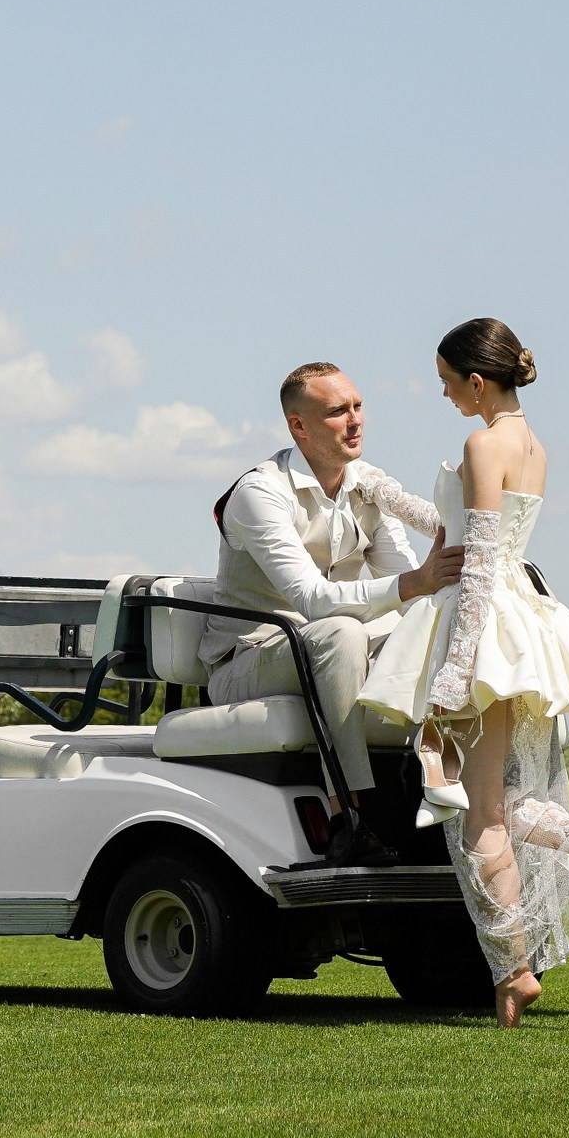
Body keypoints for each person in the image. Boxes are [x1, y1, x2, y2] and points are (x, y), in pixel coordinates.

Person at [358, 317, 569, 1025]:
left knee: (475, 819)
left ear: (474, 379)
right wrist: (382, 490)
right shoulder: (533, 447)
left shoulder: (482, 440)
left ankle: (512, 971)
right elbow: (456, 525)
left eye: (445, 383)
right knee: (495, 802)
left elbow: (481, 561)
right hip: (520, 625)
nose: (444, 396)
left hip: (484, 626)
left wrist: (454, 676)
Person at [204, 361, 465, 866]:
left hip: (328, 647)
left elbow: (408, 589)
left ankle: (448, 801)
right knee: (341, 632)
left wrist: (436, 589)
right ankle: (350, 819)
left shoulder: (366, 486)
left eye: (358, 406)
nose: (355, 421)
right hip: (249, 659)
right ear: (297, 425)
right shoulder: (259, 493)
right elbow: (311, 599)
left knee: (438, 629)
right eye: (336, 412)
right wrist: (417, 583)